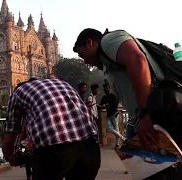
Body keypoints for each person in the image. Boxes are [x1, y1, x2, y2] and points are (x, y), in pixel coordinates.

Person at [73, 28, 182, 179]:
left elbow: (138, 61)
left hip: (155, 116)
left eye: (81, 54)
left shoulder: (109, 40)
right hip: (144, 121)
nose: (84, 61)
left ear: (89, 43)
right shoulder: (107, 64)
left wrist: (145, 113)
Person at [3, 78, 100, 180]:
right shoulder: (60, 83)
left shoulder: (18, 93)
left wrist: (10, 158)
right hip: (90, 145)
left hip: (53, 151)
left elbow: (9, 138)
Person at [100, 82, 125, 148]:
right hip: (108, 116)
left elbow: (114, 106)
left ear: (109, 88)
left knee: (116, 129)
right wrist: (98, 106)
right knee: (109, 129)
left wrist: (106, 106)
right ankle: (123, 138)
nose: (106, 89)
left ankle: (117, 144)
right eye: (104, 89)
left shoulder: (113, 96)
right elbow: (100, 105)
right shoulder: (104, 97)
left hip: (114, 114)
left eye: (107, 88)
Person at [86, 84, 102, 148]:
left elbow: (94, 105)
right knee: (94, 131)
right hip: (92, 117)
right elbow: (89, 104)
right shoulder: (90, 97)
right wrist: (92, 104)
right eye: (95, 89)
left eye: (97, 89)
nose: (96, 91)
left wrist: (99, 106)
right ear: (92, 90)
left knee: (95, 131)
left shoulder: (94, 97)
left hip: (94, 116)